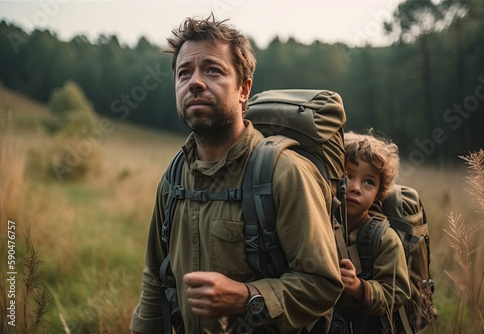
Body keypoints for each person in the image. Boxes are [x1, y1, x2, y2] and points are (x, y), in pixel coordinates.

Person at [130, 14, 343, 334]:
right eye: (183, 73)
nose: (195, 82)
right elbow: (155, 278)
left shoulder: (284, 174)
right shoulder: (174, 178)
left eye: (212, 70)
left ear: (244, 89)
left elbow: (323, 284)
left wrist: (246, 297)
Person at [332, 131, 411, 333]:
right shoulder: (317, 226)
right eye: (348, 176)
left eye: (368, 181)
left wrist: (359, 288)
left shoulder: (384, 238)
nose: (355, 188)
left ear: (379, 192)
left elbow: (397, 292)